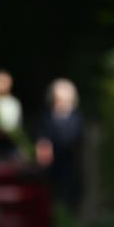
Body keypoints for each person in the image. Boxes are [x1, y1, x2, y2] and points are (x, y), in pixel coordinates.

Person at [35, 78, 84, 214]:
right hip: (52, 165)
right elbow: (42, 141)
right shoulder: (46, 117)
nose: (59, 102)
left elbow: (80, 140)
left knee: (70, 196)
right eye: (57, 98)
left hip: (71, 162)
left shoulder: (76, 118)